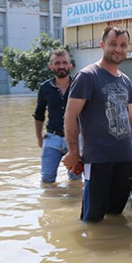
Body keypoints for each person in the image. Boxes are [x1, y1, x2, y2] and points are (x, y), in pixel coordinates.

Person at [62, 26, 132, 223]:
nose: (118, 49)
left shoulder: (125, 80)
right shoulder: (87, 76)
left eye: (123, 45)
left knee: (116, 215)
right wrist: (73, 152)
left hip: (124, 159)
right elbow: (70, 115)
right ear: (102, 45)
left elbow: (131, 117)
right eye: (113, 44)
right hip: (98, 160)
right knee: (92, 219)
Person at [33, 49, 82, 185]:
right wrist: (39, 138)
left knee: (75, 180)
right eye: (57, 63)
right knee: (46, 180)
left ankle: (74, 205)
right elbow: (39, 114)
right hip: (52, 138)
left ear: (70, 65)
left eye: (64, 63)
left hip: (75, 139)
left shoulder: (79, 86)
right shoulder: (44, 88)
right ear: (51, 66)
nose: (61, 66)